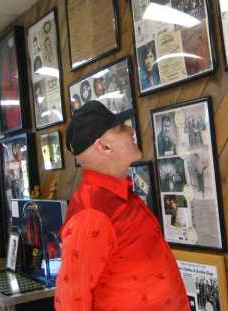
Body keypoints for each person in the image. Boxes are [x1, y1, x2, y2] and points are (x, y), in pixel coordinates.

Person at [55, 101, 189, 311]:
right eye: (120, 128)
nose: (131, 129)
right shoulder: (92, 214)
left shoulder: (117, 196)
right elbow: (71, 303)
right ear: (105, 146)